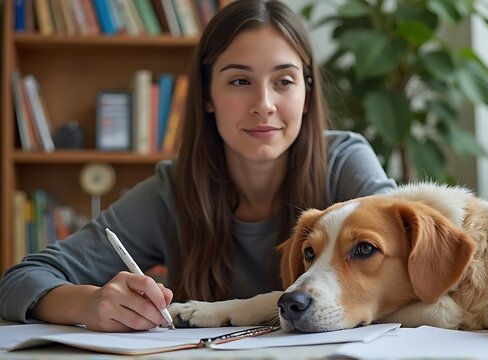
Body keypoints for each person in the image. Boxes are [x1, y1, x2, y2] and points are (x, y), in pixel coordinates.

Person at [0, 0, 396, 332]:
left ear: (307, 94)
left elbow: (418, 263)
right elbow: (19, 281)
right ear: (206, 96)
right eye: (239, 81)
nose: (264, 104)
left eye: (285, 81)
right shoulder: (171, 191)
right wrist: (89, 304)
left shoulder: (344, 162)